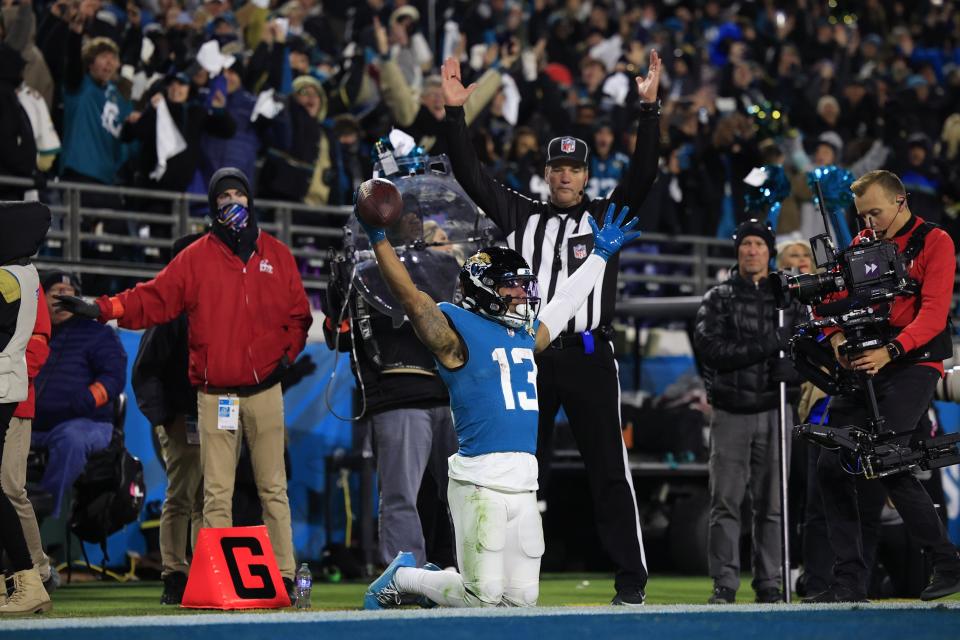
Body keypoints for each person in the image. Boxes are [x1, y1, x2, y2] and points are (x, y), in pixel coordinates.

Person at [439, 52, 662, 605]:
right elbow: (469, 175)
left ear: (586, 175)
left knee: (609, 468)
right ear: (547, 172)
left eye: (574, 168)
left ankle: (631, 583)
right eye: (556, 167)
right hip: (527, 355)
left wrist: (649, 110)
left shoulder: (605, 215)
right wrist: (453, 115)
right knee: (516, 466)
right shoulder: (521, 214)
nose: (564, 175)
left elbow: (645, 174)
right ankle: (502, 575)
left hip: (587, 354)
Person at [361, 202, 640, 610]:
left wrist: (598, 257)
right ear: (484, 289)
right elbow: (411, 297)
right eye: (513, 286)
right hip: (480, 481)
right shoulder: (456, 332)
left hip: (524, 481)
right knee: (482, 597)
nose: (524, 294)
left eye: (525, 285)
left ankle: (430, 580)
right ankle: (404, 576)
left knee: (521, 599)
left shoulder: (526, 334)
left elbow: (563, 304)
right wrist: (379, 239)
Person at [55, 167, 312, 602]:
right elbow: (150, 298)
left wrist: (282, 358)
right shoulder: (197, 258)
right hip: (216, 395)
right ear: (213, 205)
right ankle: (217, 581)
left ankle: (284, 578)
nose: (232, 201)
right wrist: (101, 308)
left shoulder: (278, 255)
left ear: (251, 200)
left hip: (264, 391)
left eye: (239, 194)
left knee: (274, 488)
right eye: (224, 195)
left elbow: (299, 316)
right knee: (215, 494)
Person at [808, 170, 960, 602]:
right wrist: (835, 337)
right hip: (864, 358)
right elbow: (828, 304)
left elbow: (933, 314)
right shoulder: (860, 245)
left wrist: (891, 351)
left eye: (875, 212)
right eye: (861, 216)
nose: (868, 223)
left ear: (900, 201)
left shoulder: (936, 242)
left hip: (913, 362)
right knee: (830, 465)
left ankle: (947, 562)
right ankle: (848, 581)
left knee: (887, 459)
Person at [694, 219, 802, 604]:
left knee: (773, 505)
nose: (752, 250)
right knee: (725, 502)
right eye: (746, 244)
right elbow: (712, 352)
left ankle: (769, 581)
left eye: (759, 243)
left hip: (776, 409)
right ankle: (724, 583)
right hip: (732, 413)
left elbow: (806, 346)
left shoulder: (786, 298)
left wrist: (796, 367)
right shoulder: (718, 298)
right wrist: (768, 344)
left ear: (769, 251)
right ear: (737, 250)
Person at [130, 233, 204, 605]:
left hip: (215, 416)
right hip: (182, 417)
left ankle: (206, 571)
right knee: (182, 496)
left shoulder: (212, 303)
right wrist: (166, 419)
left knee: (210, 498)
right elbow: (145, 371)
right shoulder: (170, 310)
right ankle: (175, 573)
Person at [32, 271, 127, 520]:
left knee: (71, 440)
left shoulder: (99, 334)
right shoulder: (30, 334)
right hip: (33, 425)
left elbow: (114, 378)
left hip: (87, 423)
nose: (62, 299)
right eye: (55, 293)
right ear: (42, 298)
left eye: (68, 294)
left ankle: (45, 516)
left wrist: (86, 399)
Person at [0, 200, 52, 616]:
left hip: (1, 387)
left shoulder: (9, 279)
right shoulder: (25, 274)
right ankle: (19, 578)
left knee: (7, 489)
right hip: (7, 385)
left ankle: (29, 575)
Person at [2, 278, 55, 594]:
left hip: (15, 404)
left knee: (10, 487)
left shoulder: (24, 279)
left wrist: (9, 380)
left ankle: (39, 570)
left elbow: (37, 345)